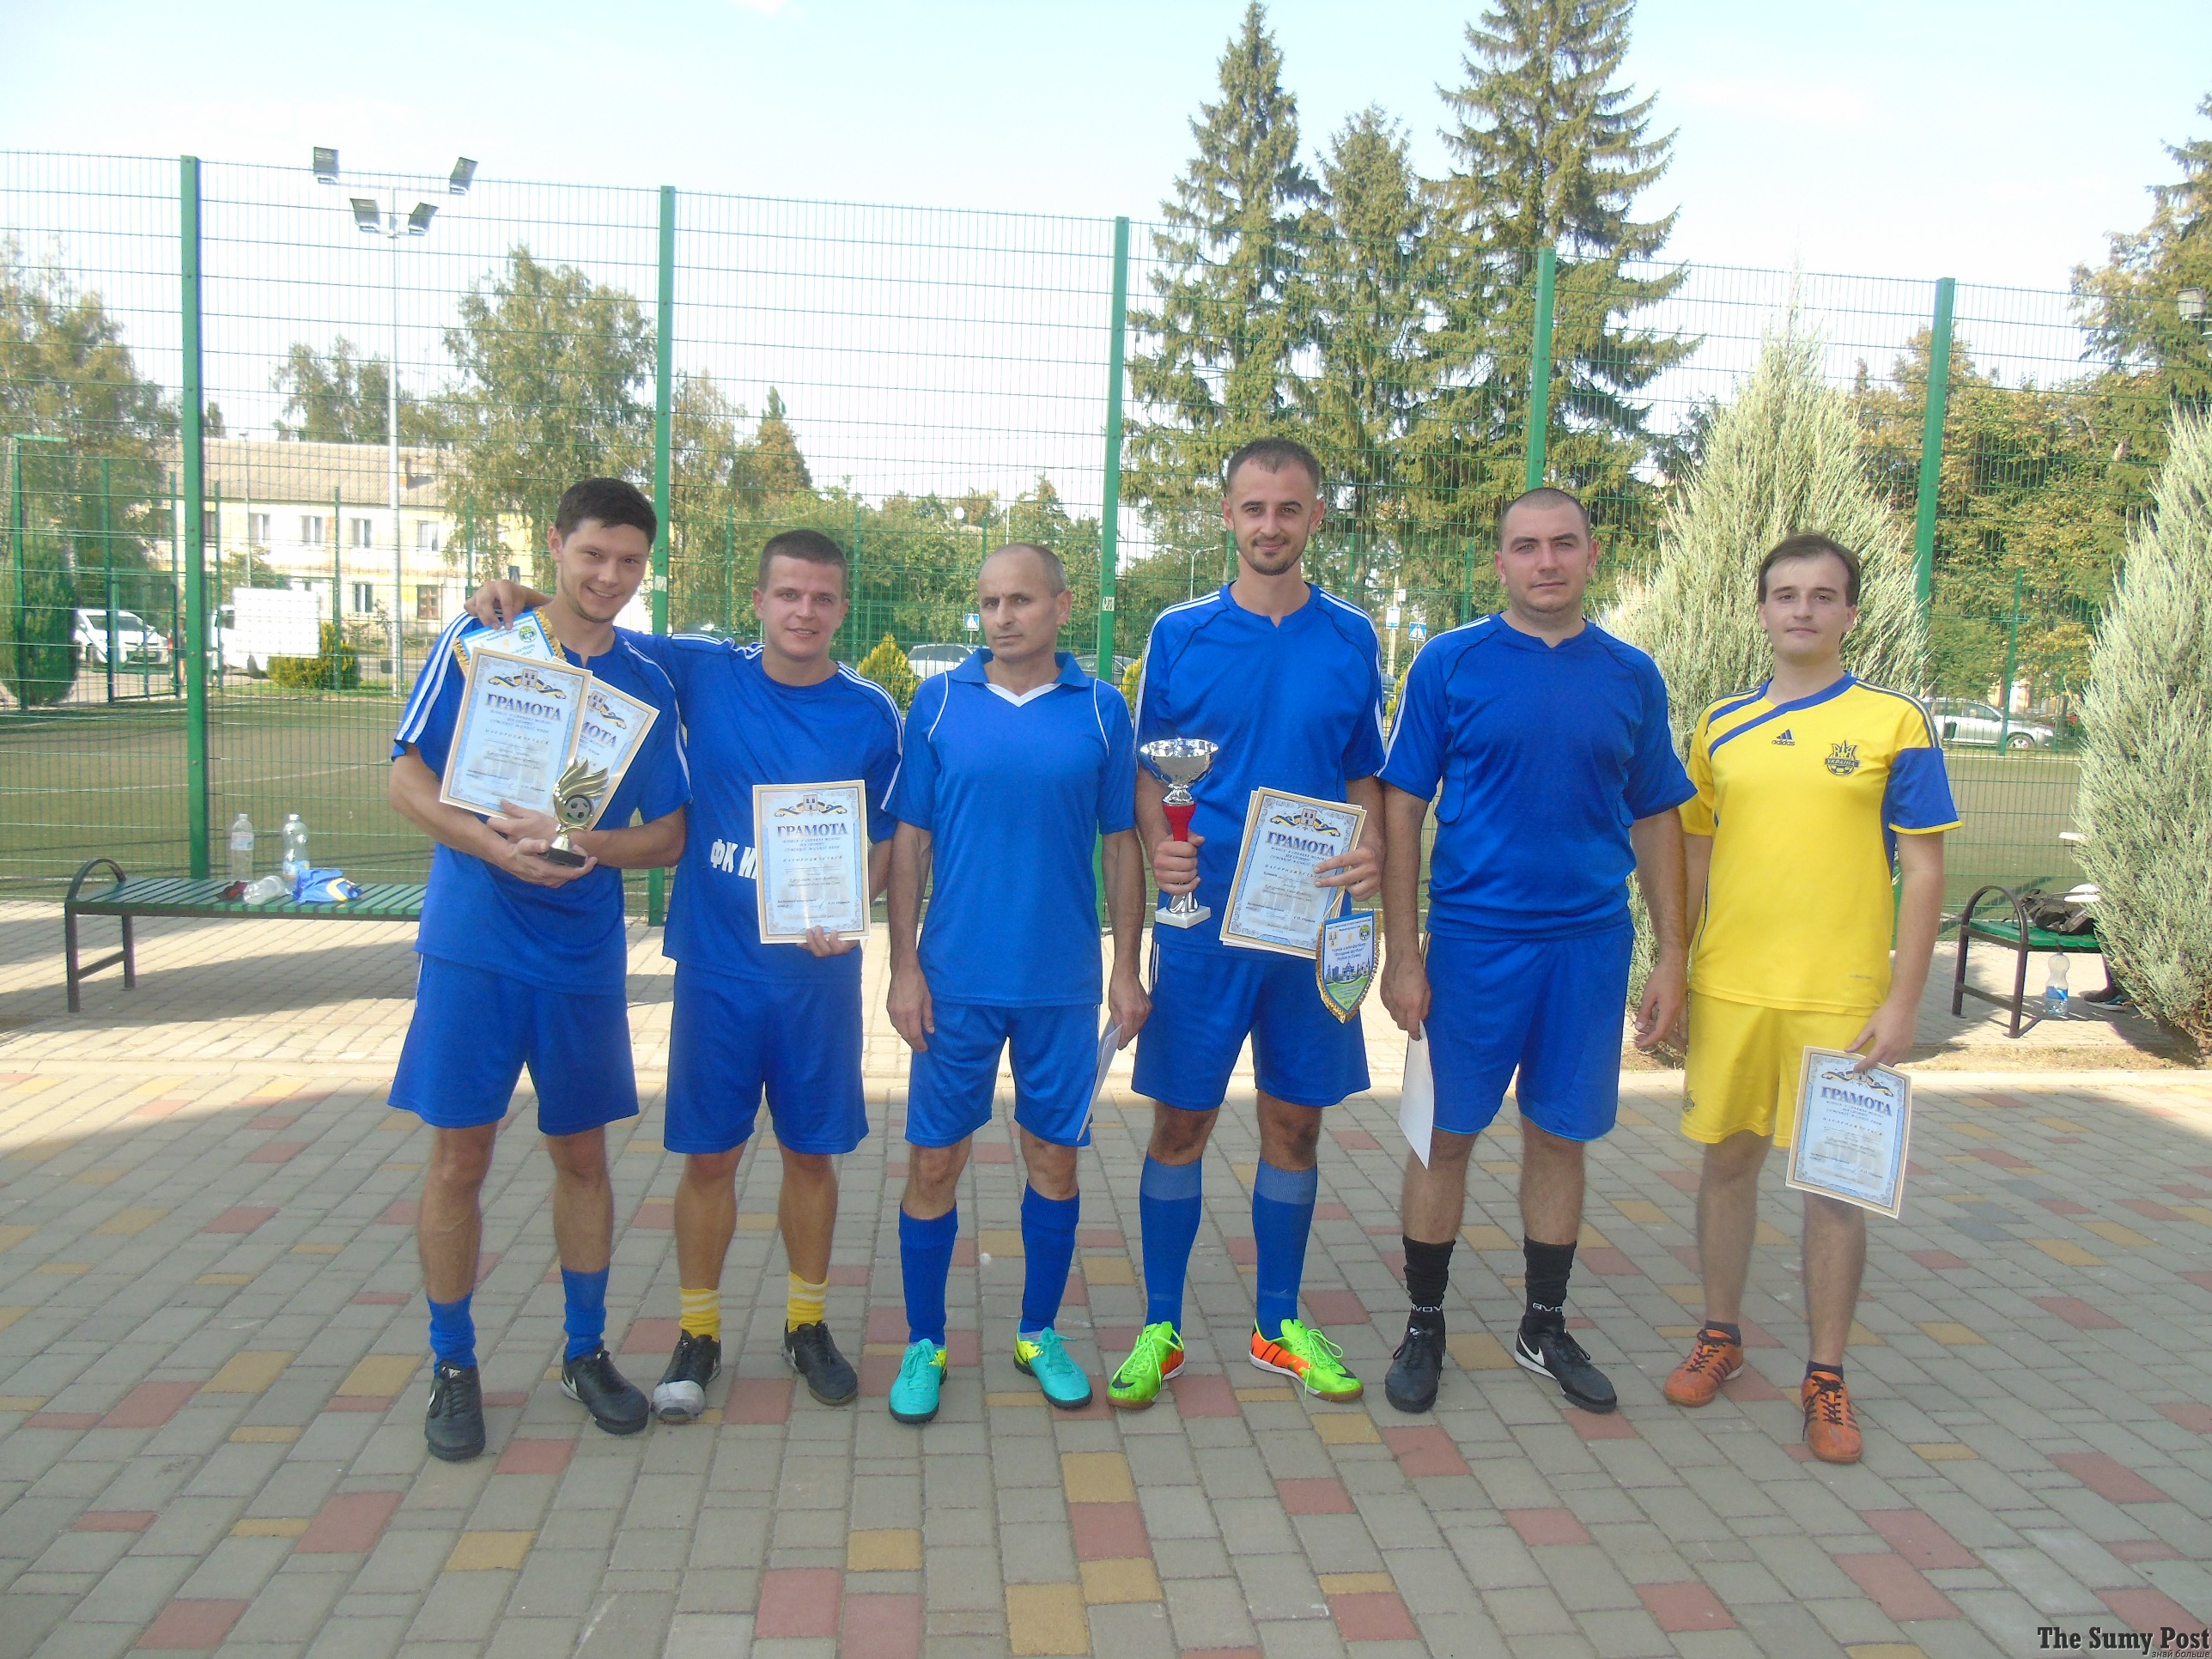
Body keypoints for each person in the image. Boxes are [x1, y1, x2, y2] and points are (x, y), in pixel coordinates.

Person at [465, 529, 901, 1422]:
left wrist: (856, 902)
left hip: (815, 976)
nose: (804, 612)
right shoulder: (703, 670)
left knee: (811, 1153)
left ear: (842, 608)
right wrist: (519, 593)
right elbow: (597, 621)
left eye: (822, 597)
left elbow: (891, 834)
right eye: (788, 594)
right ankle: (697, 1332)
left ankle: (806, 1325)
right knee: (709, 1157)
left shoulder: (870, 711)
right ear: (759, 601)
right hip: (716, 967)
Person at [389, 477, 690, 1462]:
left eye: (628, 561)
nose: (608, 576)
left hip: (578, 957)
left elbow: (669, 832)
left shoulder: (646, 683)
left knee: (582, 1158)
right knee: (458, 1159)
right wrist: (493, 848)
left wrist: (583, 844)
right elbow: (406, 777)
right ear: (554, 544)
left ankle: (583, 1352)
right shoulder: (483, 641)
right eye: (592, 554)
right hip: (473, 944)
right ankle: (452, 1365)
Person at [1376, 487, 1691, 1416]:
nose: (1545, 562)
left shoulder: (1631, 674)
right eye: (1525, 546)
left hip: (1587, 948)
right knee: (1444, 1137)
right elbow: (1402, 807)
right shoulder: (1449, 663)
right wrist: (1403, 953)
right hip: (1473, 945)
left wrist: (1673, 954)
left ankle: (1542, 1326)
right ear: (1500, 562)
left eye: (1562, 544)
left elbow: (1656, 815)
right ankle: (1424, 1325)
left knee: (1559, 1137)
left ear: (1592, 554)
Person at [1662, 532, 1955, 1464]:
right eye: (1784, 594)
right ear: (1760, 611)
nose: (1801, 609)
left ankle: (1825, 1377)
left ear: (1849, 614)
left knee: (1834, 1187)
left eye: (1822, 596)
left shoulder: (1894, 722)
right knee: (1726, 1165)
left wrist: (1903, 1001)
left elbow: (1922, 869)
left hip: (1842, 1000)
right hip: (1733, 988)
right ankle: (1719, 1335)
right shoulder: (1719, 725)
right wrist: (1674, 965)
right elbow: (1694, 851)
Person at [1107, 438, 1384, 1412]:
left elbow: (1362, 772)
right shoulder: (1179, 633)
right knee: (1181, 1118)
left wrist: (1370, 856)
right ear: (1226, 515)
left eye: (1289, 508)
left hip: (1310, 921)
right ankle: (1160, 1326)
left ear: (1316, 518)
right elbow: (1151, 772)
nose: (1271, 525)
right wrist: (1163, 845)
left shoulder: (1351, 637)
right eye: (1253, 508)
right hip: (1203, 920)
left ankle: (1276, 1325)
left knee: (1294, 1121)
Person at [884, 542, 1148, 1425]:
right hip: (954, 982)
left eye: (1021, 600)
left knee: (1053, 1159)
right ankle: (924, 1342)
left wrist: (1126, 968)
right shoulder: (937, 703)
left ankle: (1038, 1332)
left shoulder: (1102, 711)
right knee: (934, 1160)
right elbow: (911, 841)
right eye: (990, 602)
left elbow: (1122, 844)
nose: (1002, 616)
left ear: (1061, 607)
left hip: (1060, 986)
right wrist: (904, 966)